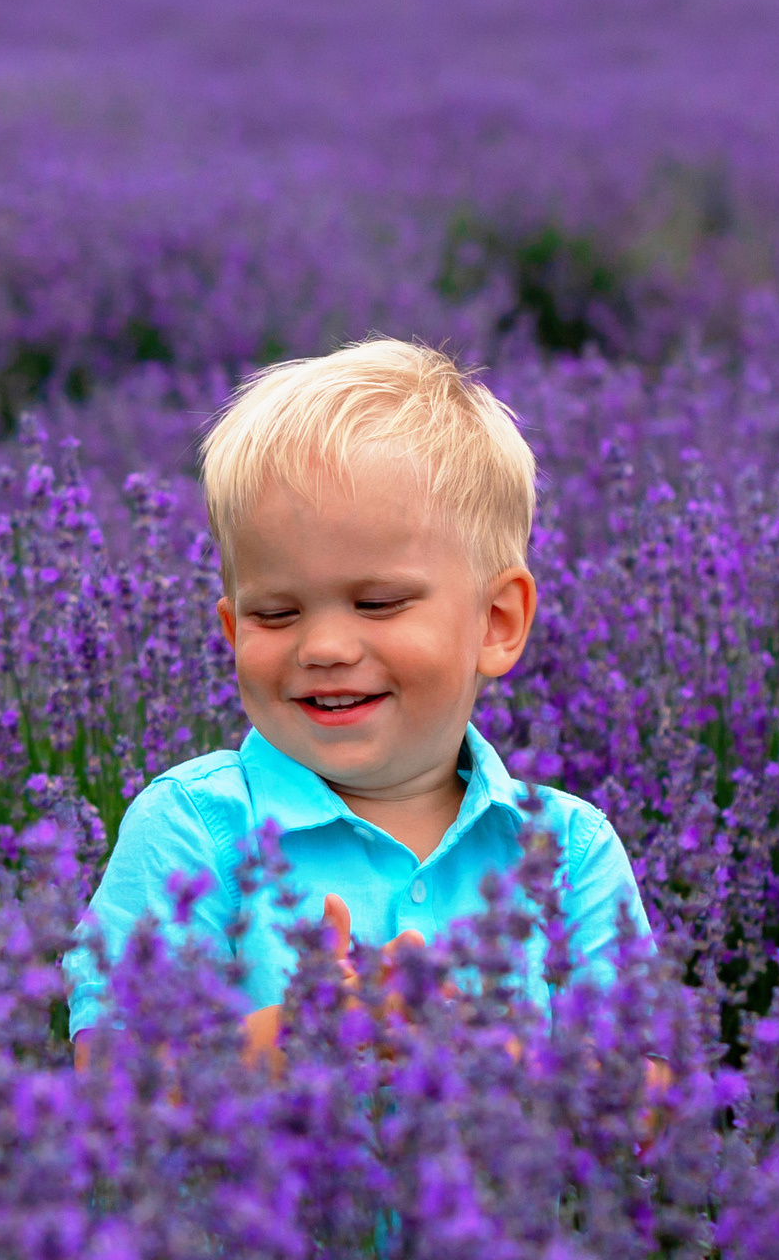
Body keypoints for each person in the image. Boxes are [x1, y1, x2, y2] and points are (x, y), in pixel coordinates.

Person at [67, 338, 648, 1063]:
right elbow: (111, 1082)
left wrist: (505, 1066)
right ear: (230, 628)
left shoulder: (565, 851)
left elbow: (648, 1096)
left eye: (377, 603)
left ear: (497, 623)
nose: (324, 648)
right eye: (276, 614)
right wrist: (295, 1037)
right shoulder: (194, 830)